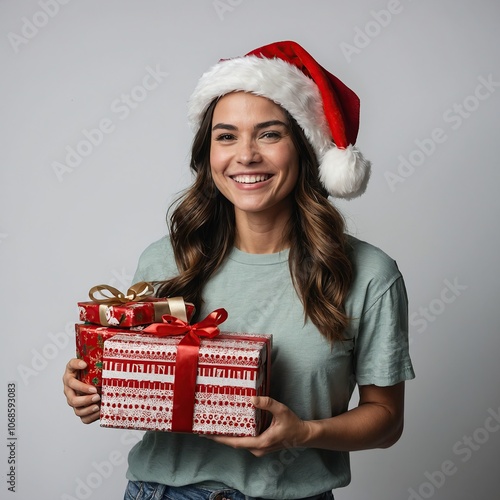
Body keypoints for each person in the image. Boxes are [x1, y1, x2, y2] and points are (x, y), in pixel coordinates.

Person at [63, 40, 415, 500]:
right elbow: (141, 381)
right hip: (162, 491)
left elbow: (386, 421)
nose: (245, 155)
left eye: (269, 134)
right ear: (207, 154)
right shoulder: (163, 260)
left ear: (305, 148)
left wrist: (302, 433)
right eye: (226, 136)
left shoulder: (369, 274)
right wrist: (93, 383)